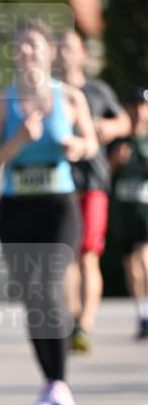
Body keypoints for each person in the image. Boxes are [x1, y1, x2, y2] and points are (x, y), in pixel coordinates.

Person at [0, 19, 97, 405]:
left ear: (50, 52)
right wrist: (17, 142)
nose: (27, 52)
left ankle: (60, 381)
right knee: (32, 298)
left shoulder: (70, 97)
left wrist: (77, 146)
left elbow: (91, 142)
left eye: (34, 46)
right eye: (21, 46)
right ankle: (51, 382)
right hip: (16, 209)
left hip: (59, 206)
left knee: (48, 286)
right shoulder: (2, 102)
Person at [57, 29, 131, 351]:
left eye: (69, 48)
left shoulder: (98, 90)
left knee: (88, 254)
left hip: (93, 182)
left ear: (82, 55)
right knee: (66, 257)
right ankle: (74, 320)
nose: (63, 53)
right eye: (59, 48)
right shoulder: (49, 92)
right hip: (59, 183)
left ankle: (85, 325)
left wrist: (108, 128)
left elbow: (125, 123)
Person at [109, 88, 148, 339]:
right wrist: (115, 161)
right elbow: (103, 174)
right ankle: (142, 313)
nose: (138, 111)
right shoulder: (118, 140)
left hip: (146, 211)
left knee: (145, 258)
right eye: (133, 105)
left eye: (142, 106)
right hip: (125, 214)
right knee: (131, 266)